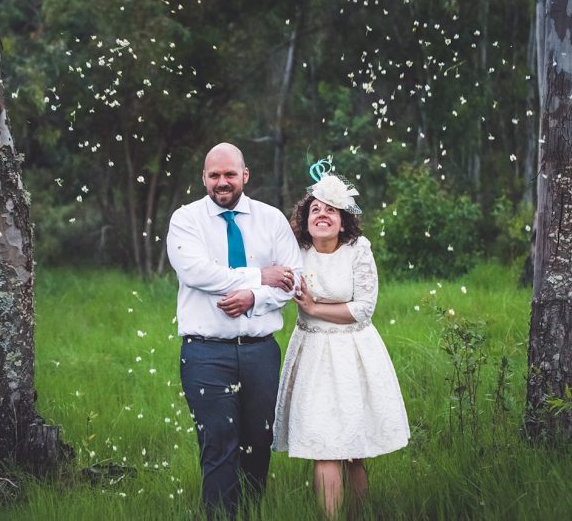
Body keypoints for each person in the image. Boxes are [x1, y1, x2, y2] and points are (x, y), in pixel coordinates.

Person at [166, 142, 304, 519]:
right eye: (214, 175)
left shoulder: (271, 219)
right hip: (206, 353)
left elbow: (294, 280)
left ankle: (251, 514)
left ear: (245, 175)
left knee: (258, 444)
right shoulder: (186, 220)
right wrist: (261, 276)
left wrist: (253, 298)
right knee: (218, 445)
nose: (222, 182)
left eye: (230, 174)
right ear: (204, 178)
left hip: (261, 351)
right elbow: (197, 273)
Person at [272, 165, 410, 518]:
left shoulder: (358, 249)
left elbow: (364, 308)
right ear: (305, 220)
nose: (322, 214)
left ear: (343, 220)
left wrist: (315, 306)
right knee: (324, 445)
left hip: (353, 352)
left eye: (330, 209)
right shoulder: (295, 252)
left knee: (353, 449)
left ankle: (357, 514)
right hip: (313, 352)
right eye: (315, 209)